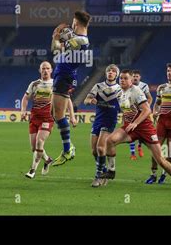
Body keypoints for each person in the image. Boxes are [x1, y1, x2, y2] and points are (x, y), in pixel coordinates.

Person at [99, 69, 171, 190]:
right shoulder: (119, 92)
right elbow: (127, 111)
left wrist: (135, 123)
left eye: (125, 78)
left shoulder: (136, 91)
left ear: (131, 80)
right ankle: (111, 171)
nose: (123, 80)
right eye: (121, 78)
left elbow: (147, 110)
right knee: (110, 140)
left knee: (160, 159)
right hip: (130, 127)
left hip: (145, 128)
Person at [21, 61, 77, 179]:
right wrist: (23, 111)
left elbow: (68, 100)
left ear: (51, 70)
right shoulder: (34, 84)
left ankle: (32, 170)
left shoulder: (55, 84)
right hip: (34, 117)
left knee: (40, 142)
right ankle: (47, 160)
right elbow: (25, 98)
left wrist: (72, 116)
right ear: (40, 70)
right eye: (43, 69)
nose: (45, 70)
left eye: (47, 68)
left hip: (48, 118)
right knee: (34, 148)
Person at [50, 11, 91, 166]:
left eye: (73, 22)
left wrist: (58, 36)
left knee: (58, 115)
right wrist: (56, 38)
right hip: (64, 75)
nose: (71, 24)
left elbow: (60, 45)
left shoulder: (80, 40)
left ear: (77, 23)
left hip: (64, 76)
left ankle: (68, 148)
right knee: (56, 114)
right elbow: (57, 49)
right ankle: (67, 148)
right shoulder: (77, 40)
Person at [84, 64, 121, 187]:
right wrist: (91, 100)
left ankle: (98, 176)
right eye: (109, 71)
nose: (110, 72)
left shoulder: (120, 89)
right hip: (98, 120)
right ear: (106, 73)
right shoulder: (98, 86)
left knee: (100, 148)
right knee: (94, 151)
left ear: (117, 74)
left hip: (110, 121)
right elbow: (86, 100)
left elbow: (124, 105)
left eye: (113, 71)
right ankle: (105, 170)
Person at [128, 70, 153, 160]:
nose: (135, 78)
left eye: (137, 76)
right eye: (133, 76)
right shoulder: (128, 86)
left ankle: (139, 145)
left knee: (143, 130)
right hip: (131, 112)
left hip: (142, 112)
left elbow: (150, 98)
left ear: (140, 77)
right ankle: (133, 153)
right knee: (130, 131)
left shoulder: (144, 86)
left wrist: (147, 108)